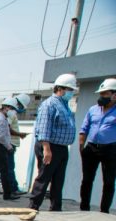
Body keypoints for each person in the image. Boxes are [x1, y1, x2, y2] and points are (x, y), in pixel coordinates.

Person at [28, 73, 78, 211]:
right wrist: (47, 149)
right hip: (50, 146)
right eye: (70, 90)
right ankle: (33, 207)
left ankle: (56, 208)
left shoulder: (65, 106)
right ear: (60, 89)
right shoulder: (49, 104)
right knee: (44, 177)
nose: (71, 93)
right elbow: (44, 127)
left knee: (58, 180)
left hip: (61, 148)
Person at [79, 77, 116, 214]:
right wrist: (81, 146)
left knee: (108, 182)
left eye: (105, 93)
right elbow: (84, 128)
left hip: (110, 149)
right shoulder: (93, 110)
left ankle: (104, 211)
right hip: (91, 148)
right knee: (87, 180)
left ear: (114, 95)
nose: (102, 96)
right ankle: (84, 209)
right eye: (101, 93)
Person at [6, 93, 31, 195]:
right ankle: (13, 189)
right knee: (10, 167)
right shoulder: (11, 113)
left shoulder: (11, 113)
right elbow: (7, 127)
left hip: (9, 143)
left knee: (0, 168)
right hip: (10, 143)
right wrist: (19, 134)